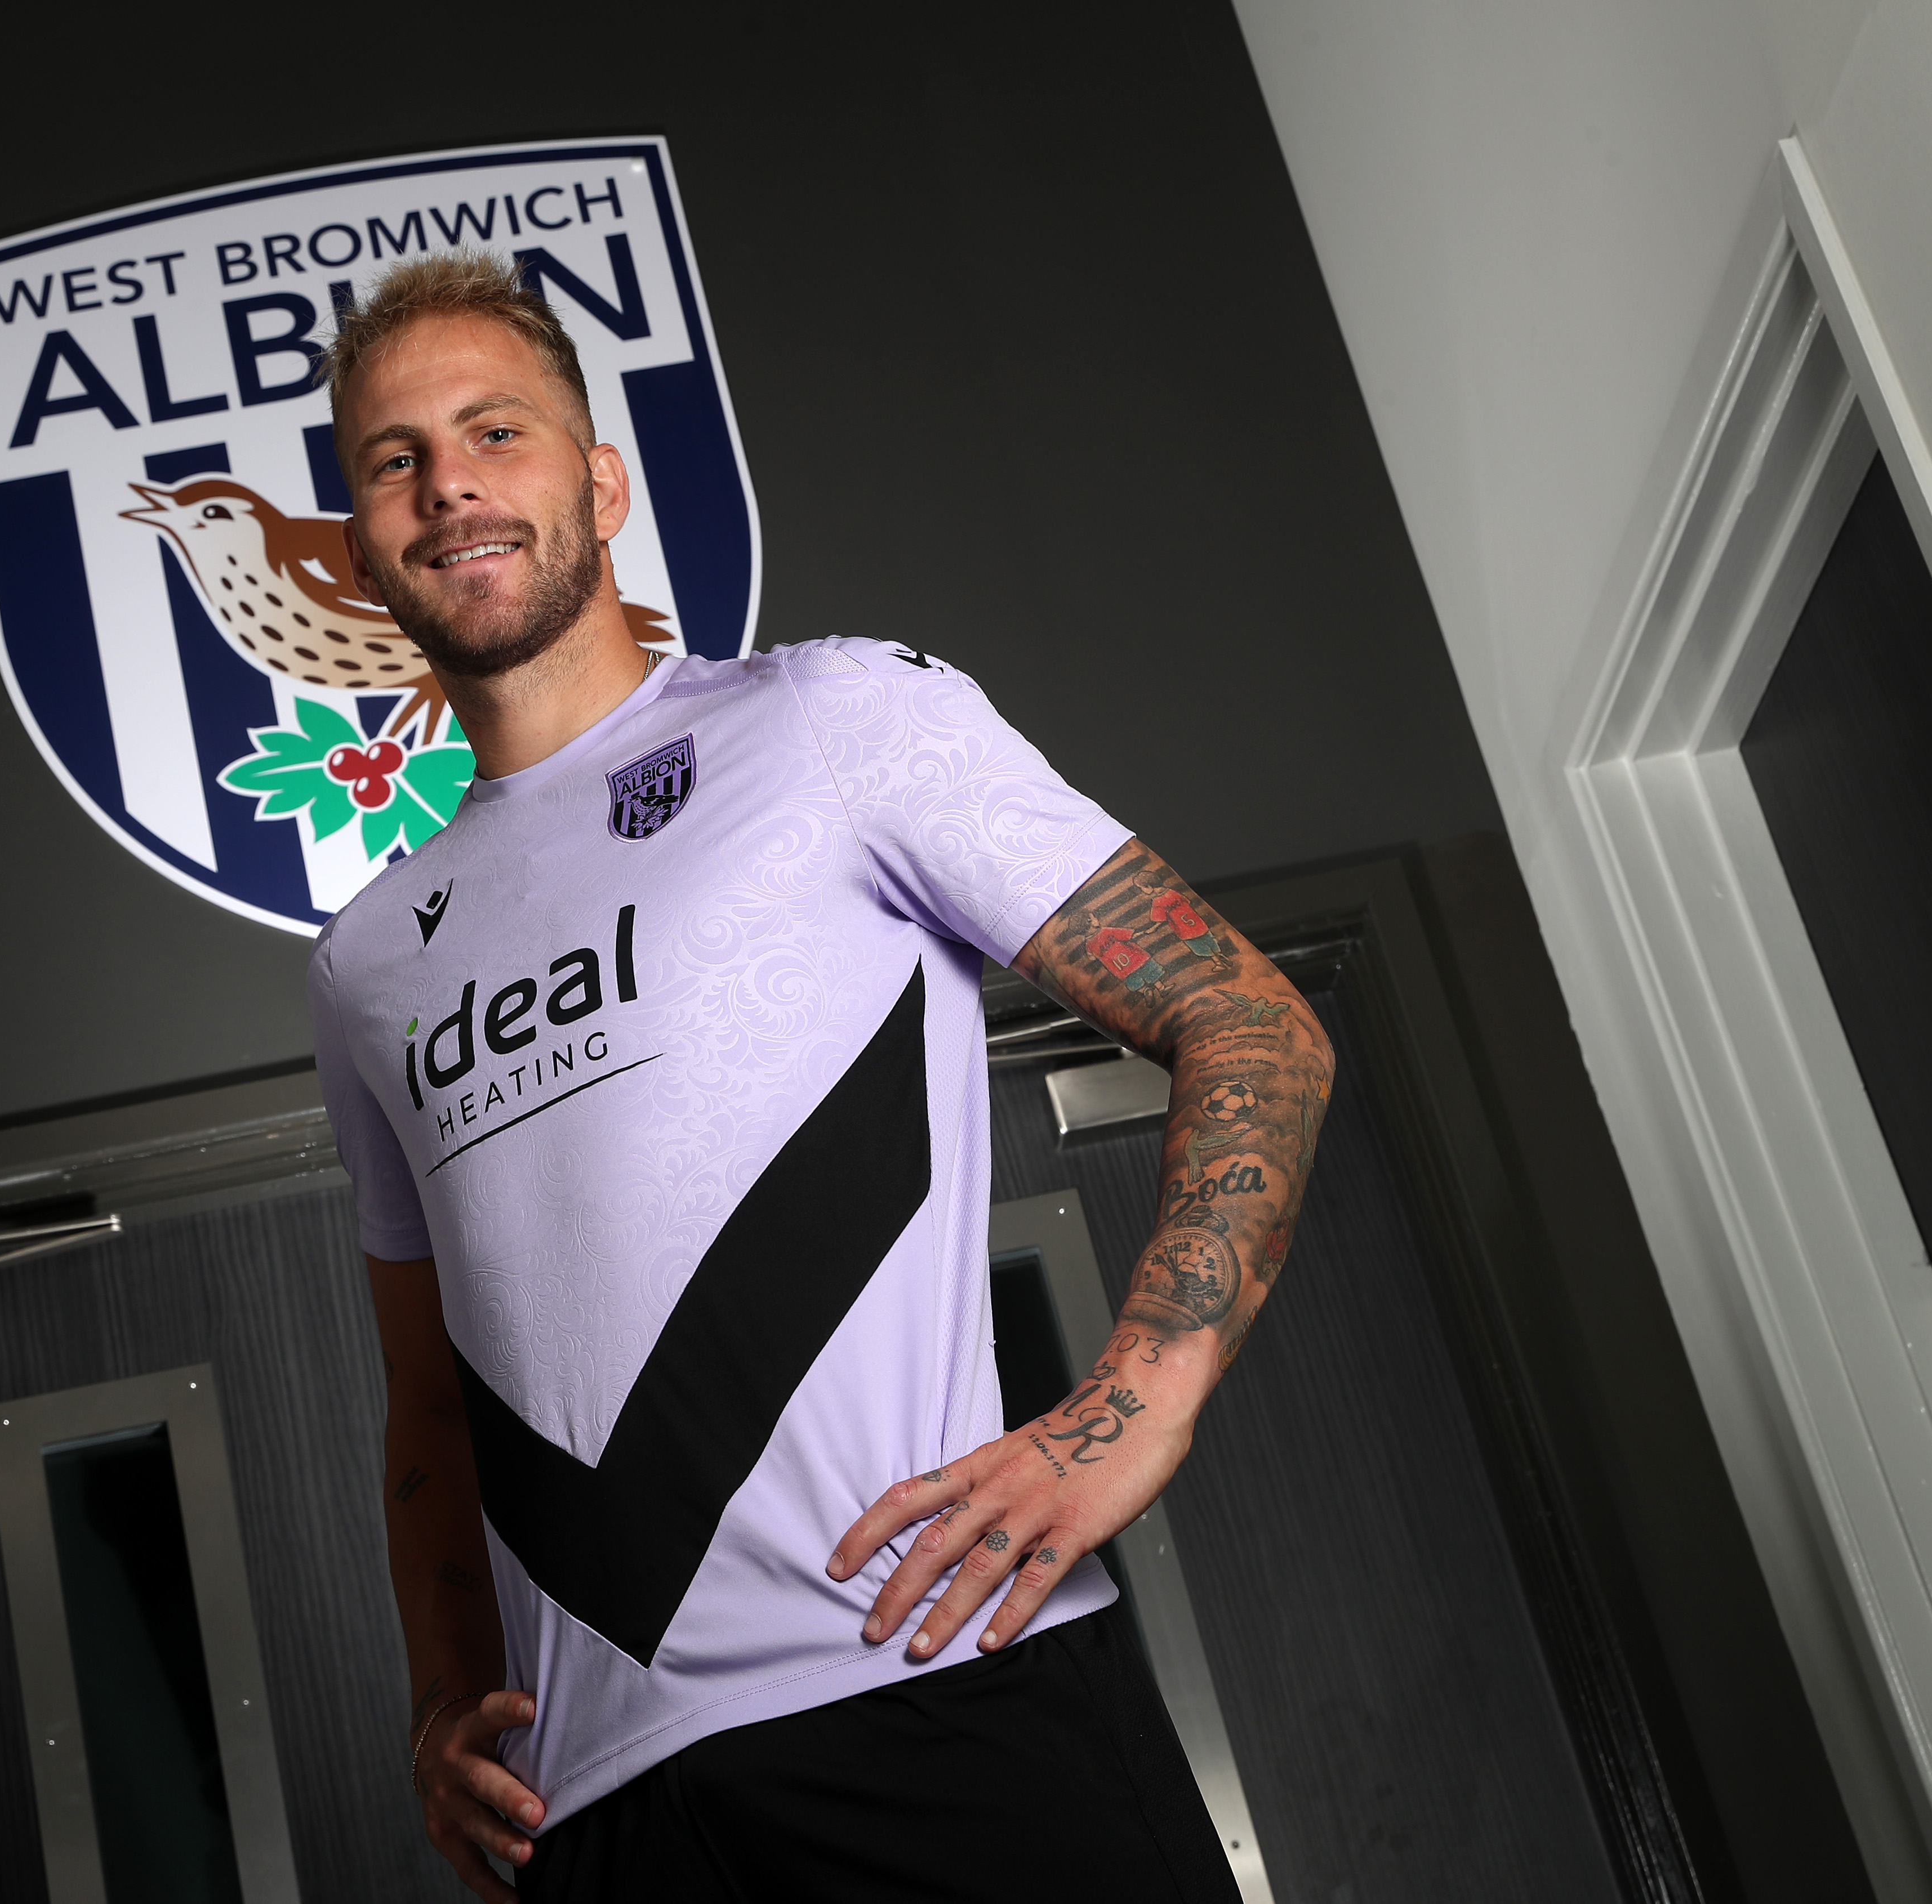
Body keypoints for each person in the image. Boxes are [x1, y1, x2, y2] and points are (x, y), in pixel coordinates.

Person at [305, 250, 1333, 1902]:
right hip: (609, 1821)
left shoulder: (836, 721)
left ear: (598, 476)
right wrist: (443, 1700)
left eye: (494, 430)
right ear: (362, 536)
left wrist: (1136, 1413)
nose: (451, 487)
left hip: (938, 1706)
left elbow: (1252, 1021)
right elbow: (427, 1401)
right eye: (395, 458)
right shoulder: (369, 966)